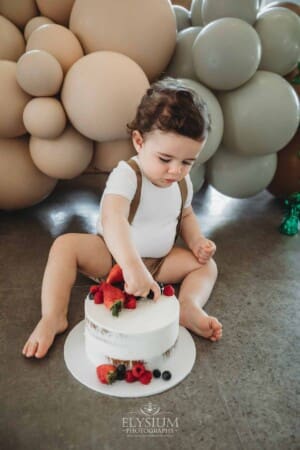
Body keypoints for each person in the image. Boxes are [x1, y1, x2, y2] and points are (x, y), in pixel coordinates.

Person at [22, 77, 222, 359]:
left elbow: (186, 214)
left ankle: (188, 306)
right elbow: (113, 217)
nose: (176, 170)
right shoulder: (128, 174)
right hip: (112, 258)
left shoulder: (181, 183)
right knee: (64, 246)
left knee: (207, 266)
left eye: (187, 162)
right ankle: (52, 316)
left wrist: (197, 239)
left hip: (159, 264)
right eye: (165, 159)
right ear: (139, 141)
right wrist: (131, 266)